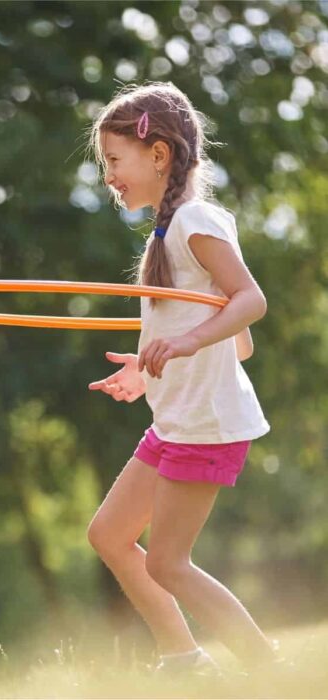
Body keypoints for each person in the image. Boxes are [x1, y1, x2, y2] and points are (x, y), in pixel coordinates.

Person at [86, 82, 275, 676]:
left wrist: (188, 343)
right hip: (178, 418)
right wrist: (146, 371)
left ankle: (268, 668)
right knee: (110, 536)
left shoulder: (194, 218)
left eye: (115, 160)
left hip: (206, 425)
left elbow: (250, 302)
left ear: (158, 154)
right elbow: (231, 335)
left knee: (168, 562)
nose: (109, 175)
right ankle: (184, 656)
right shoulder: (167, 234)